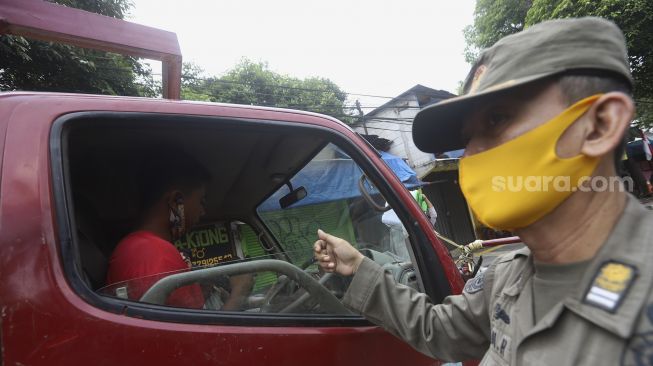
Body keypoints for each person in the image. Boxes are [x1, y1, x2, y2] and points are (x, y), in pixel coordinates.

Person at [314, 17, 653, 365]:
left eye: (496, 120)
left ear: (600, 125)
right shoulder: (508, 275)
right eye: (466, 138)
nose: (471, 154)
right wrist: (358, 267)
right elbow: (440, 331)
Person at [106, 149, 252, 310]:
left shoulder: (139, 248)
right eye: (201, 201)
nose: (202, 211)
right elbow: (198, 334)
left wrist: (200, 291)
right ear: (176, 201)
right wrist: (240, 291)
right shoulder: (155, 254)